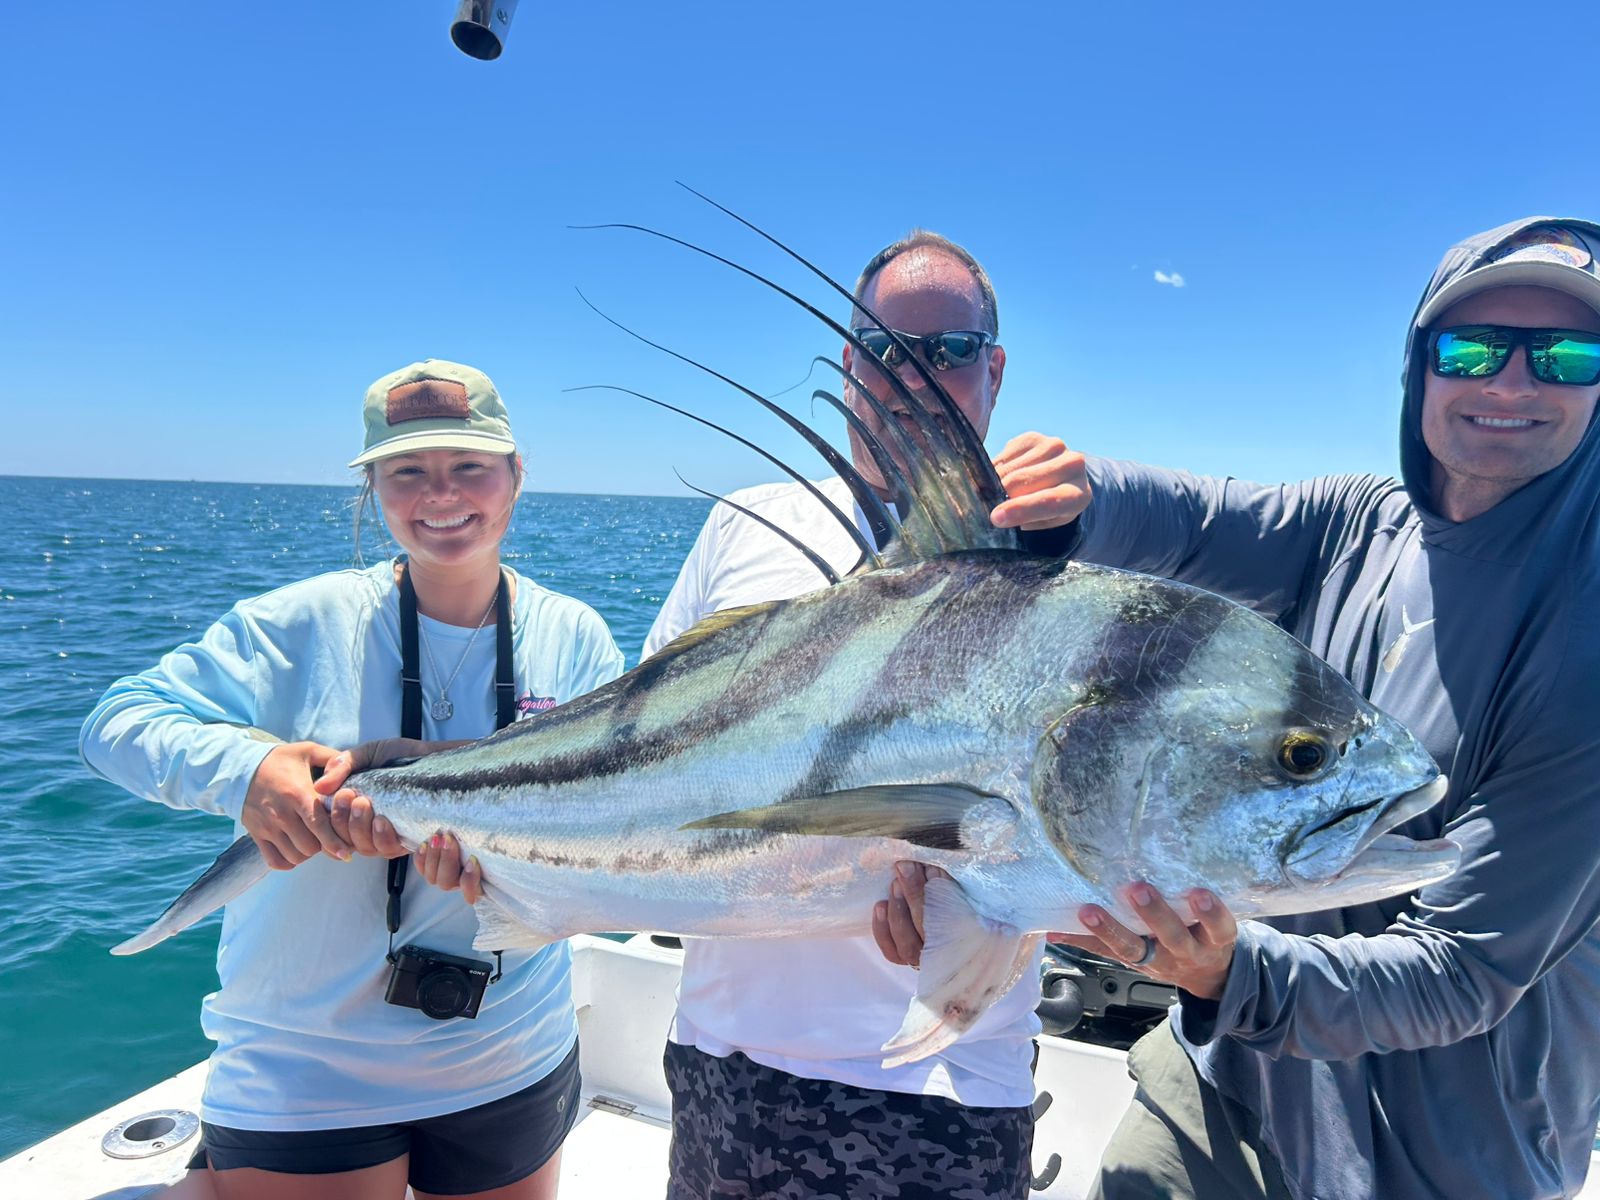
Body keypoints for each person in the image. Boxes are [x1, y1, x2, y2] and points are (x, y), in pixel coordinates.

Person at [878, 217, 1600, 1199]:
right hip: (1225, 1081)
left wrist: (1227, 974)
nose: (1509, 385)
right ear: (1418, 369)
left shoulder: (1582, 645)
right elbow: (1203, 519)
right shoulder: (1361, 524)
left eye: (1563, 356)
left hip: (1443, 1154)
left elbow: (1460, 976)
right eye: (1469, 348)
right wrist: (1078, 501)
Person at [80, 359, 625, 1200]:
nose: (441, 494)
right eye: (408, 471)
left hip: (512, 1048)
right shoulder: (298, 621)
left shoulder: (577, 636)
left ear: (516, 475)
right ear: (372, 487)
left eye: (468, 466)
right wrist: (250, 771)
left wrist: (504, 870)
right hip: (308, 1064)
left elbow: (602, 818)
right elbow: (115, 723)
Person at [641, 231, 1085, 1200]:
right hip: (731, 1059)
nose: (914, 380)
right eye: (885, 351)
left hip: (951, 1086)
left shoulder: (1052, 558)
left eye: (949, 351)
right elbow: (643, 756)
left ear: (993, 370)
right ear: (848, 366)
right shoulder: (742, 525)